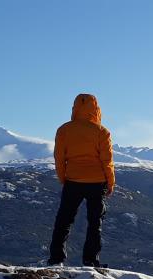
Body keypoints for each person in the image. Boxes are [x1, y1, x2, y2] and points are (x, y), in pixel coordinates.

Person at [48, 94, 115, 267]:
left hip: (73, 181)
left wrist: (63, 178)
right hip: (97, 182)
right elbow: (107, 161)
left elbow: (59, 158)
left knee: (64, 221)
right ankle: (91, 260)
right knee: (95, 223)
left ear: (75, 108)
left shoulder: (64, 130)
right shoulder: (101, 131)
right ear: (96, 108)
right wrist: (110, 182)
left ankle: (56, 259)